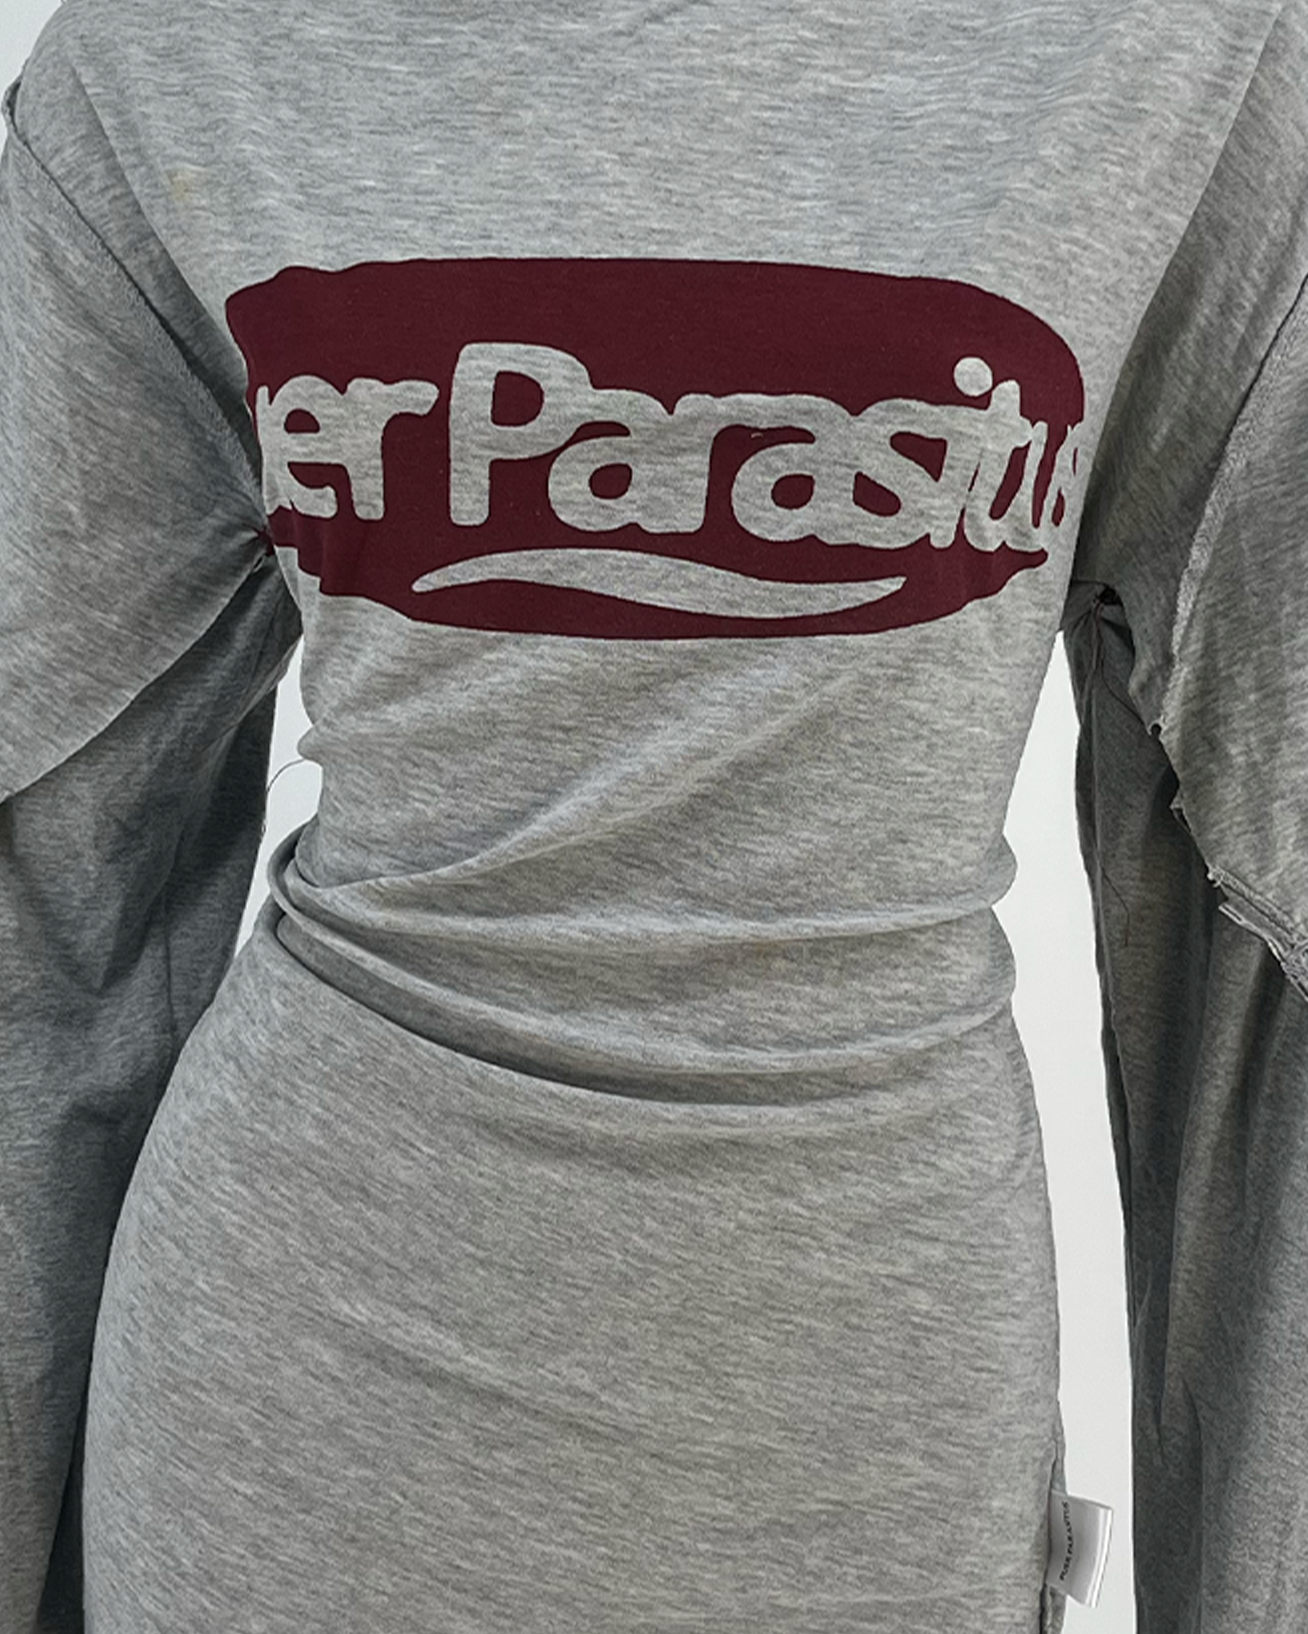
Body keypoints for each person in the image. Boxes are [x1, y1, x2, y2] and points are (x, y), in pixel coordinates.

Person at [3, 1, 1305, 1629]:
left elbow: (1265, 908)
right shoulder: (176, 52)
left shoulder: (1186, 51)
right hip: (292, 1403)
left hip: (863, 1410)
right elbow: (49, 898)